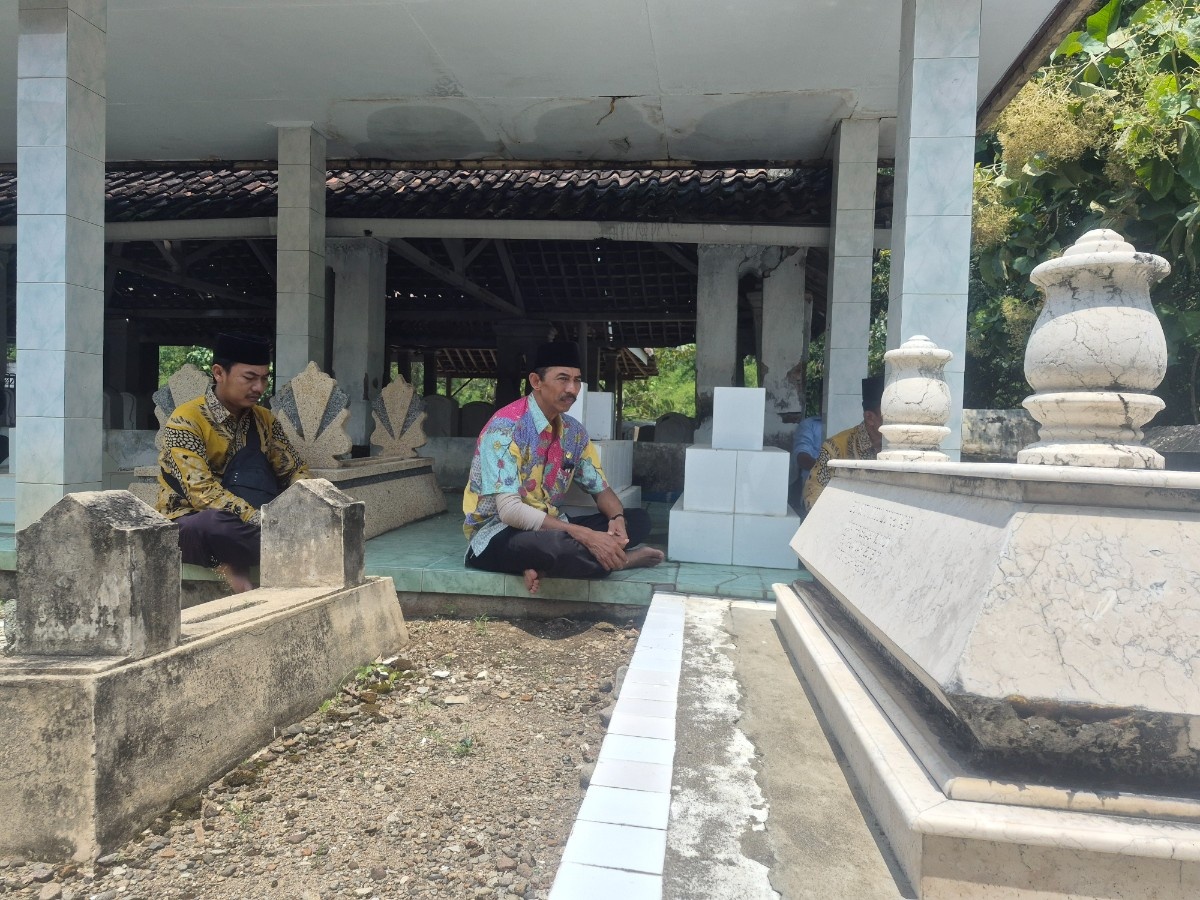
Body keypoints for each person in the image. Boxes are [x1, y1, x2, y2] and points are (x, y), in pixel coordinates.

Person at [463, 341, 664, 595]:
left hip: (550, 526)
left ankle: (541, 565)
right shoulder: (505, 428)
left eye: (577, 380)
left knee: (639, 520)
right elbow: (510, 512)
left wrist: (617, 520)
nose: (572, 389)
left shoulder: (574, 432)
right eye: (562, 379)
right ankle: (624, 560)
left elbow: (601, 490)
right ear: (536, 381)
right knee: (559, 546)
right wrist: (584, 535)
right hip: (499, 532)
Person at [156, 333, 309, 592]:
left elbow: (293, 469)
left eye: (264, 378)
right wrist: (264, 521)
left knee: (313, 518)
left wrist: (304, 502)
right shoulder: (185, 421)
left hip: (254, 522)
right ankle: (265, 550)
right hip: (192, 520)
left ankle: (236, 560)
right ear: (219, 373)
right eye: (249, 378)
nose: (259, 388)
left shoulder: (265, 420)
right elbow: (202, 494)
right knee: (214, 527)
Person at [803, 375, 884, 512]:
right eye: (890, 416)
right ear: (870, 417)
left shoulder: (906, 449)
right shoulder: (835, 450)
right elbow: (813, 497)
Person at [788, 413, 824, 512]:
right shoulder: (810, 424)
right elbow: (801, 458)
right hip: (813, 489)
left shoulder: (854, 425)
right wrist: (826, 469)